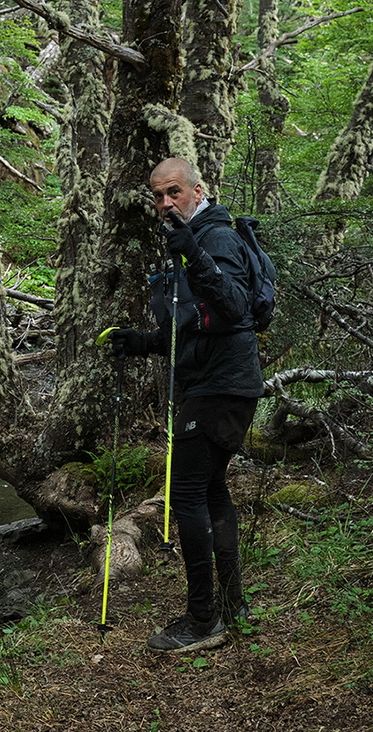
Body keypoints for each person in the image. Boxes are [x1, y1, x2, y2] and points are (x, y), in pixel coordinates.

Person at [108, 157, 264, 652]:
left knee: (188, 496)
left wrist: (193, 251)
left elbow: (238, 310)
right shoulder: (190, 238)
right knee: (212, 491)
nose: (165, 203)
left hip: (222, 388)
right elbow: (196, 329)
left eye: (173, 192)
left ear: (198, 190)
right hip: (218, 383)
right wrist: (142, 342)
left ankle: (203, 621)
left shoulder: (213, 237)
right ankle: (230, 604)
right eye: (157, 196)